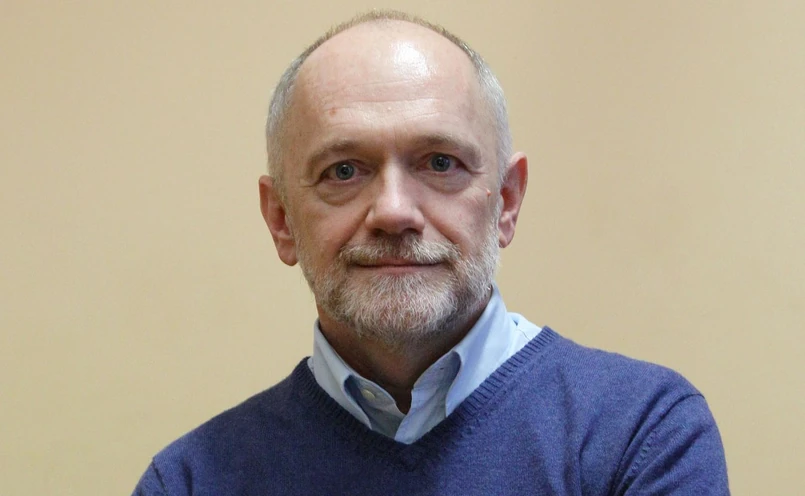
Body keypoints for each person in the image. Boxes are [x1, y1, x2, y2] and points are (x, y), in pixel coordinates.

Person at [133, 10, 729, 495]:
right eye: (344, 171)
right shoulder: (191, 481)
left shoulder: (640, 434)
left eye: (440, 163)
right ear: (281, 219)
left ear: (506, 201)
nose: (394, 211)